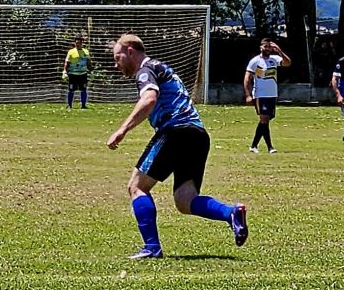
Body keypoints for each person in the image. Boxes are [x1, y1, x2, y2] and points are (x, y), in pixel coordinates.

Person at [106, 34, 248, 259]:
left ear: (130, 51)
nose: (117, 64)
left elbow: (149, 99)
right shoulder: (162, 67)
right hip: (198, 135)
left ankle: (152, 247)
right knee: (185, 200)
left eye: (117, 58)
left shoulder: (145, 70)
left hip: (175, 132)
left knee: (137, 187)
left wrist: (122, 130)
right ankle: (231, 213)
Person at [244, 38, 291, 153]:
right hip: (260, 95)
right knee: (264, 119)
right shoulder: (255, 61)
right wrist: (248, 95)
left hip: (272, 95)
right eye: (265, 46)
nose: (268, 49)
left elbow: (287, 63)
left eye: (269, 47)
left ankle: (253, 145)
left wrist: (279, 50)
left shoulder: (274, 59)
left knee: (265, 121)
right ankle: (270, 147)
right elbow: (247, 79)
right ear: (261, 47)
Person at [62, 36, 93, 109]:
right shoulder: (71, 51)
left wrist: (91, 68)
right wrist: (64, 71)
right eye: (77, 43)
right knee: (71, 90)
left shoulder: (86, 51)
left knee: (83, 89)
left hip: (83, 74)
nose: (78, 44)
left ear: (82, 43)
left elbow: (88, 61)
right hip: (73, 74)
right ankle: (69, 105)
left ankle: (83, 105)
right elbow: (67, 62)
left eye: (79, 42)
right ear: (74, 43)